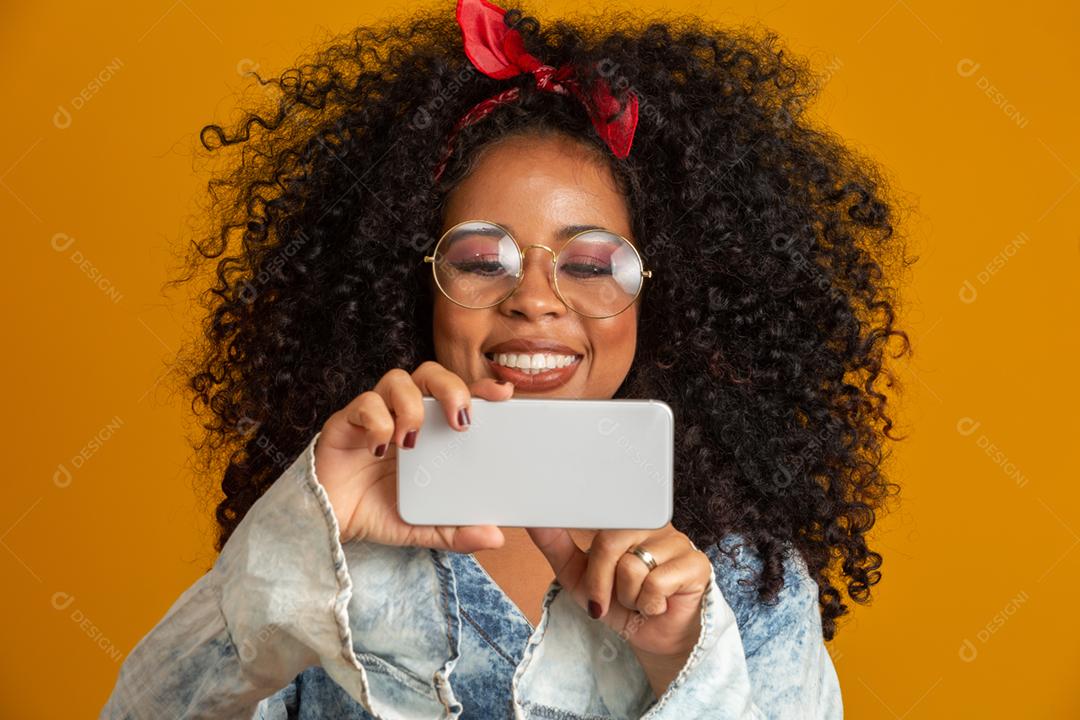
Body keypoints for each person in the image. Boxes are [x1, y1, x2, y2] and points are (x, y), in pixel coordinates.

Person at [101, 0, 911, 716]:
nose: (534, 299)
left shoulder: (744, 587)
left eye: (591, 264)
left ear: (661, 300)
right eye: (482, 259)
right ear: (415, 287)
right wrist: (294, 546)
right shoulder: (329, 558)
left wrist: (681, 659)